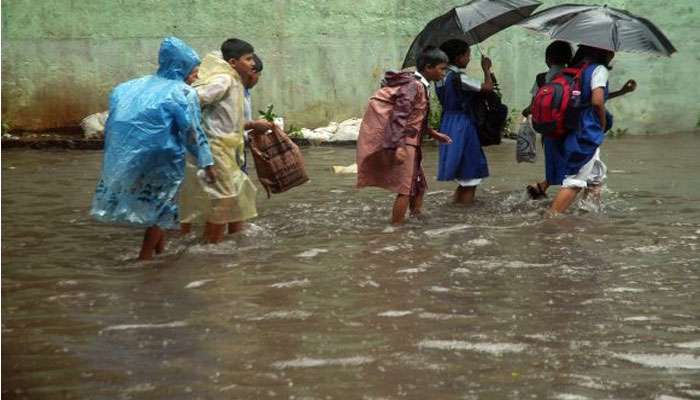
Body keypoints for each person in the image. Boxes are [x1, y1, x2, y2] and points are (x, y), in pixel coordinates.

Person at [91, 36, 215, 261]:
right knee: (163, 205)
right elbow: (192, 132)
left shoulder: (125, 88)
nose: (196, 76)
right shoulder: (182, 92)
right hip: (162, 158)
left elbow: (112, 123)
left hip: (127, 155)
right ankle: (145, 259)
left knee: (159, 204)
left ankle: (160, 253)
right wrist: (207, 162)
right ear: (181, 67)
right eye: (194, 70)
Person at [179, 39, 272, 243]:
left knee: (235, 195)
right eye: (248, 59)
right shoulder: (223, 80)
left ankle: (226, 241)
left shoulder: (233, 81)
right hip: (216, 147)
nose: (252, 63)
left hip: (227, 149)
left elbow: (229, 119)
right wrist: (198, 136)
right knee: (225, 198)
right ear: (232, 61)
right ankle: (210, 246)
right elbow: (192, 98)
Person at [526, 42, 637, 199]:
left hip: (556, 128)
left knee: (587, 174)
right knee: (576, 179)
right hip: (582, 129)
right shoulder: (595, 70)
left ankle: (587, 215)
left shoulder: (564, 74)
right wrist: (602, 124)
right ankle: (552, 216)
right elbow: (596, 100)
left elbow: (586, 97)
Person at [356, 46, 452, 225]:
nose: (444, 73)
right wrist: (398, 146)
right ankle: (397, 230)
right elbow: (399, 116)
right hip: (406, 142)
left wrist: (432, 132)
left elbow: (417, 115)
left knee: (418, 184)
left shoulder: (422, 85)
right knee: (406, 188)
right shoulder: (413, 86)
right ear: (429, 67)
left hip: (411, 142)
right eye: (442, 68)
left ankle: (416, 217)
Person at [435, 39, 494, 205]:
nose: (469, 59)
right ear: (459, 57)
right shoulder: (460, 78)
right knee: (471, 173)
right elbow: (487, 88)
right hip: (462, 123)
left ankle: (455, 211)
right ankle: (465, 214)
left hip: (447, 121)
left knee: (463, 171)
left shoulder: (441, 76)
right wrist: (487, 70)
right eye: (468, 55)